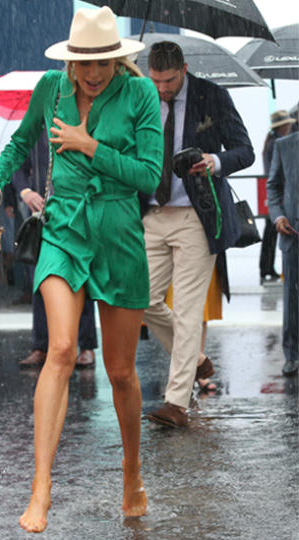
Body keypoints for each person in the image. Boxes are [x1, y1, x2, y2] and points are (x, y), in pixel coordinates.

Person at [0, 7, 161, 532]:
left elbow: (149, 174)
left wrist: (89, 145)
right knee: (60, 349)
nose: (93, 73)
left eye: (102, 62)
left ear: (118, 59)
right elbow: (18, 143)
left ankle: (131, 469)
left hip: (119, 232)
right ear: (70, 61)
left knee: (120, 372)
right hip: (64, 228)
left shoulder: (141, 95)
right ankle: (41, 488)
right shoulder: (52, 89)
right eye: (84, 63)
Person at [141, 40, 251, 428]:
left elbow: (245, 151)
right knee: (142, 299)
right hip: (151, 214)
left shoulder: (212, 96)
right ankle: (198, 360)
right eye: (155, 80)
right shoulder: (142, 95)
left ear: (183, 70)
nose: (161, 89)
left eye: (168, 81)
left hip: (197, 216)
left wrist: (215, 160)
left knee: (188, 313)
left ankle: (176, 404)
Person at [13, 133, 97, 368]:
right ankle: (40, 345)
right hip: (44, 217)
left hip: (76, 213)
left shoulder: (79, 125)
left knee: (80, 278)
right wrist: (26, 192)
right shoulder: (35, 130)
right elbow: (17, 166)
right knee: (42, 280)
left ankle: (87, 345)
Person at [266, 127, 299, 377]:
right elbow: (273, 187)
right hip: (292, 234)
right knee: (292, 301)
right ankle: (292, 355)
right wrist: (277, 216)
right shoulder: (284, 145)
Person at [260, 110, 295, 283]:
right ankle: (267, 267)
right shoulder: (279, 144)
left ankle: (266, 267)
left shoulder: (272, 142)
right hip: (280, 196)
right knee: (272, 233)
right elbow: (277, 175)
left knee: (270, 234)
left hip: (275, 195)